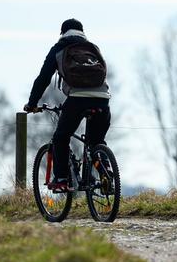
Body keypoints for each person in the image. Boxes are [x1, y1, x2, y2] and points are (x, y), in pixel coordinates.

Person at [23, 19, 111, 191]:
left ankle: (62, 179)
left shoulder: (59, 49)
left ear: (62, 33)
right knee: (96, 142)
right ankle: (106, 172)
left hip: (77, 99)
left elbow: (43, 78)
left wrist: (32, 103)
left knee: (61, 137)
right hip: (103, 98)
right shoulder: (93, 48)